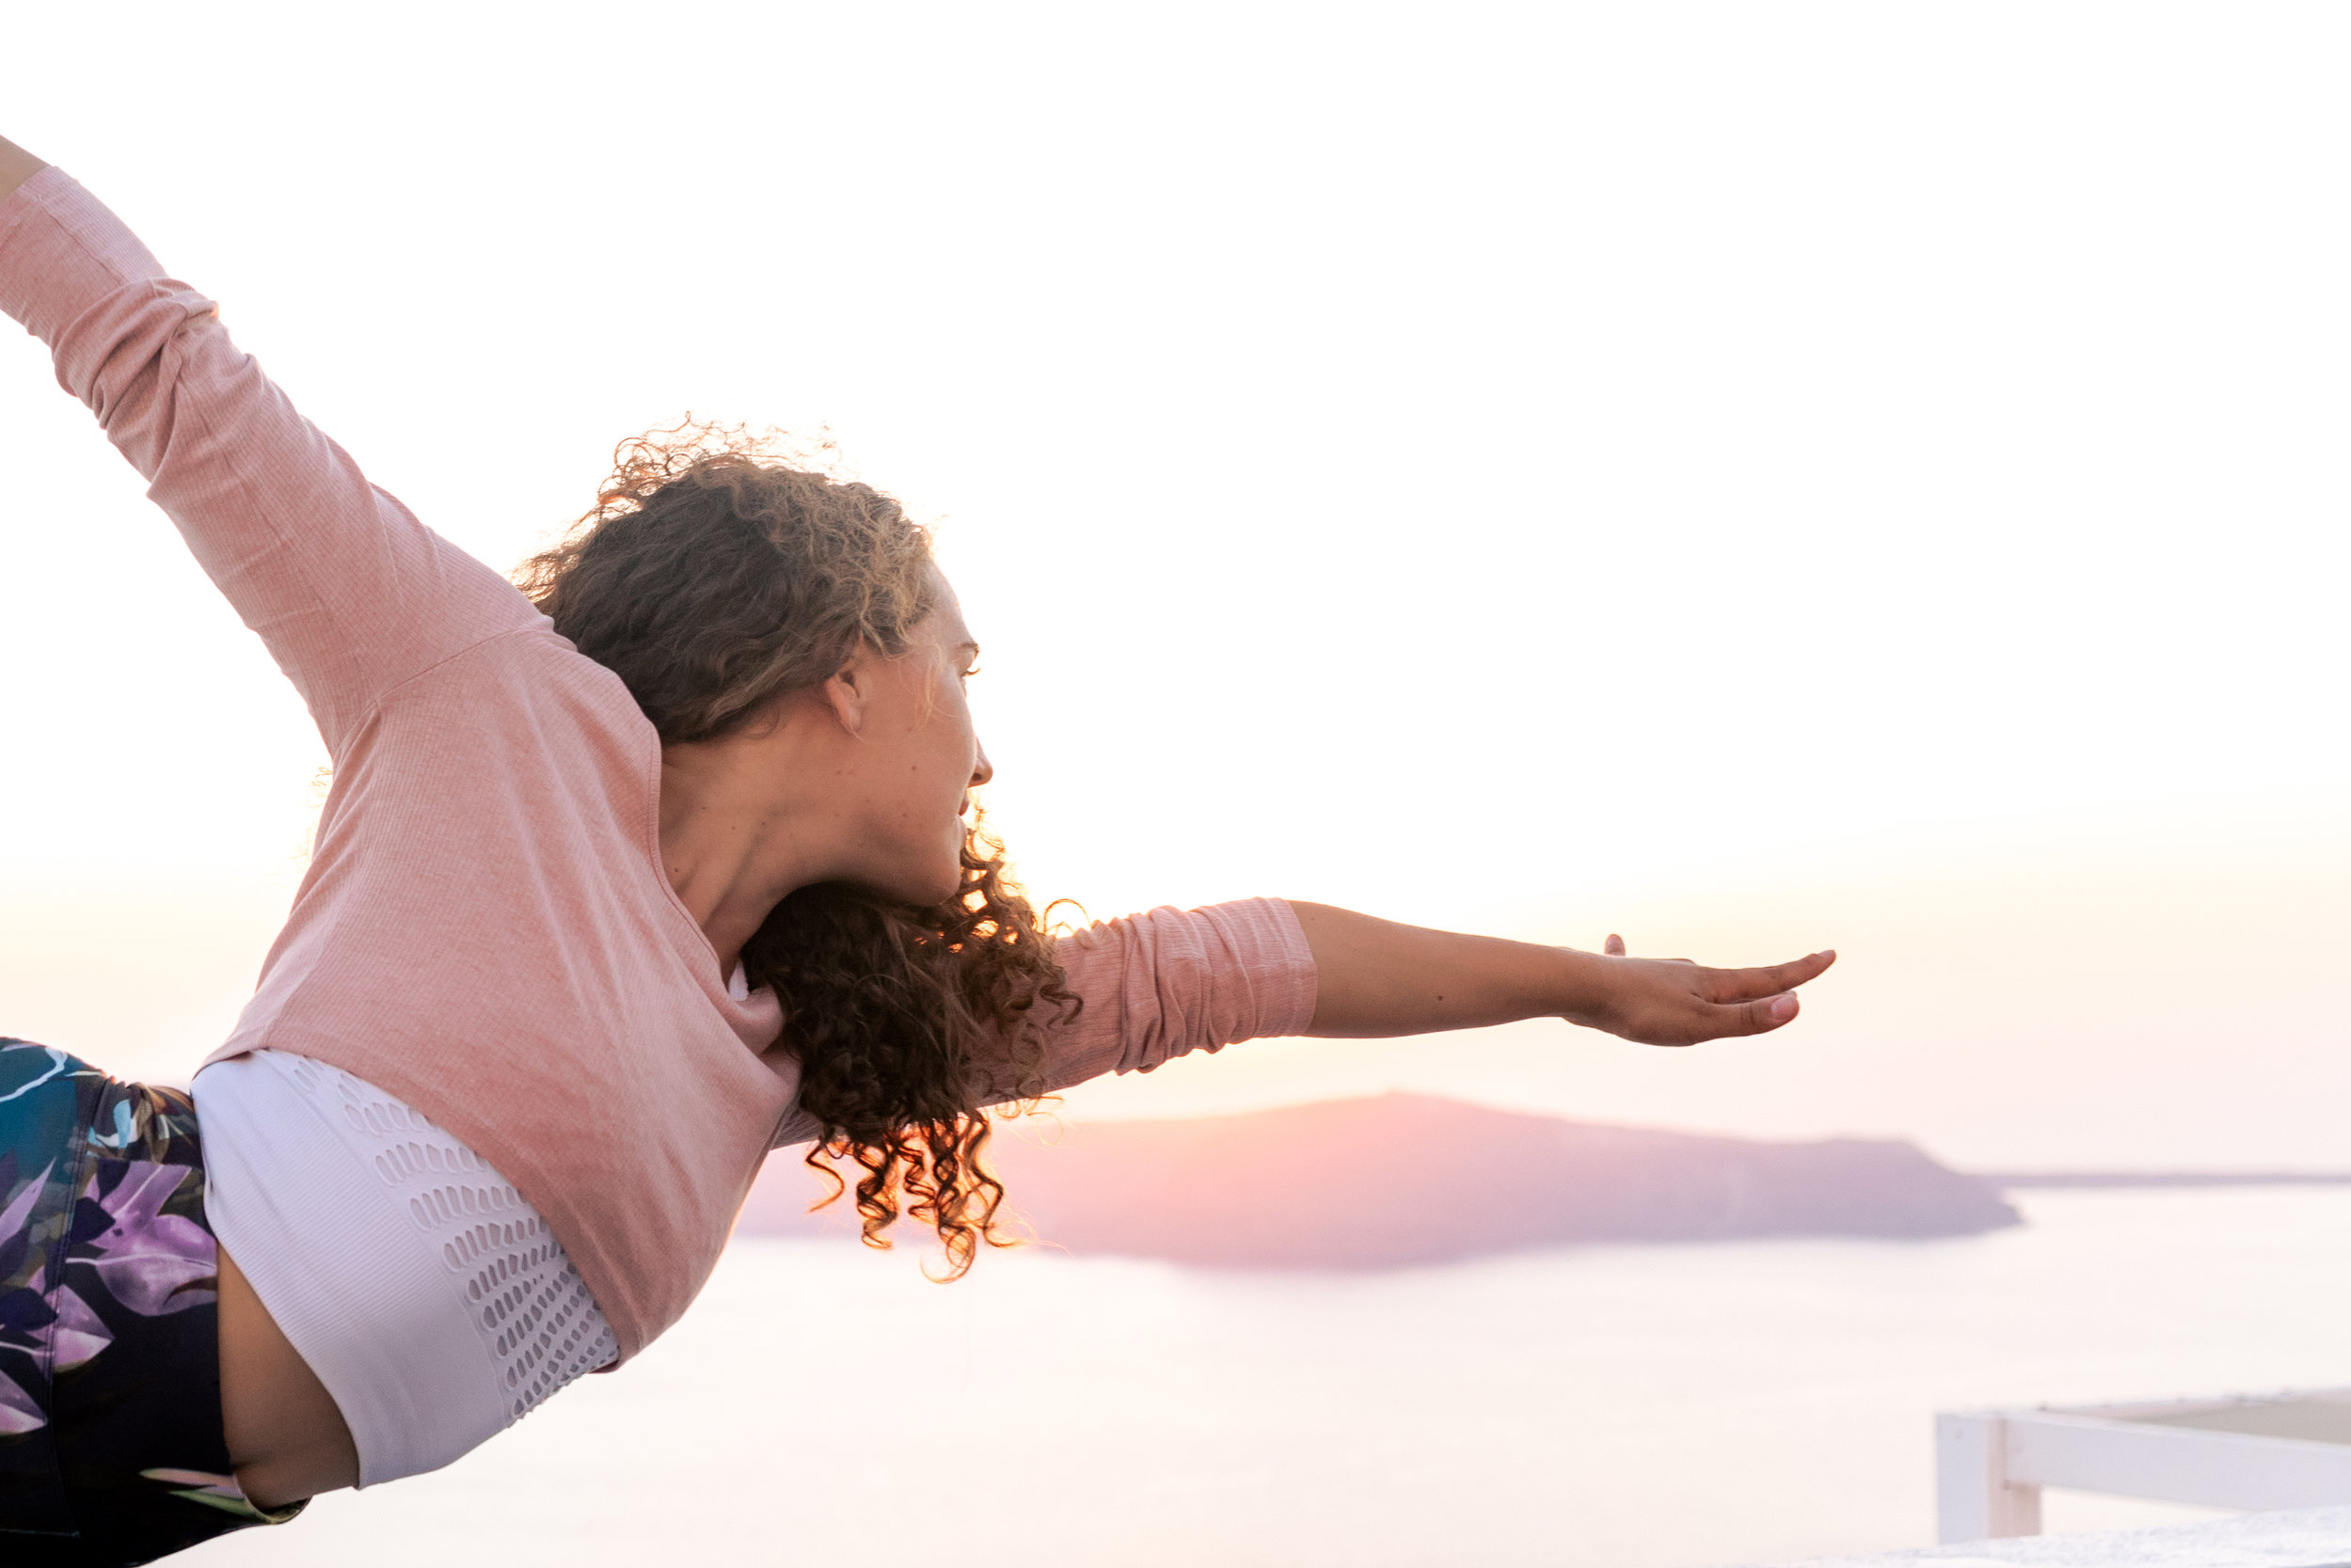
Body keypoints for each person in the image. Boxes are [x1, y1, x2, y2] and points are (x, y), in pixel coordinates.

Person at [0, 134, 1835, 1567]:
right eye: (961, 670)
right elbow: (153, 353)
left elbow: (1231, 966)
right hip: (61, 1238)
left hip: (105, 1481)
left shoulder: (796, 1035)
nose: (987, 742)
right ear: (848, 667)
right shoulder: (493, 714)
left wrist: (1579, 993)